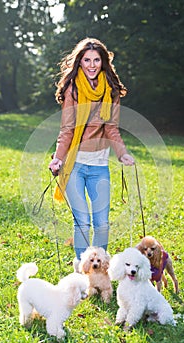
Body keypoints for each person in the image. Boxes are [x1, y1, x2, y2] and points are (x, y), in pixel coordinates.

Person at [49, 38, 134, 271]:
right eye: (87, 60)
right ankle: (83, 270)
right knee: (83, 223)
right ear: (80, 62)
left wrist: (122, 154)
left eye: (96, 59)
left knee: (103, 223)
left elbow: (111, 128)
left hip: (99, 166)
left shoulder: (111, 89)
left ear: (104, 61)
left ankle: (101, 269)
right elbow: (67, 128)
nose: (92, 64)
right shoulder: (73, 89)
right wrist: (58, 158)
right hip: (74, 165)